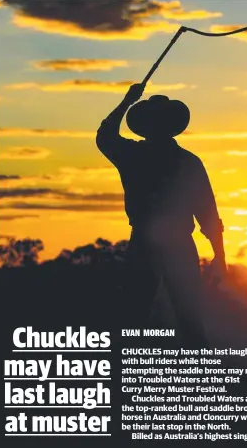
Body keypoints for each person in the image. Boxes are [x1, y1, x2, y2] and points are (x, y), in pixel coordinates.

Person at [96, 83, 226, 346]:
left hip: (146, 243)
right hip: (175, 245)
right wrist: (219, 256)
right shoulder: (187, 161)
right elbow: (208, 214)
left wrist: (127, 101)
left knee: (137, 317)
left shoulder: (132, 154)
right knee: (184, 319)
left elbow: (105, 136)